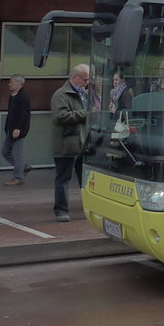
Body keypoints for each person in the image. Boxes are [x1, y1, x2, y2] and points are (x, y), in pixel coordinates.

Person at [51, 63, 91, 222]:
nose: (87, 83)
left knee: (86, 179)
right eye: (85, 79)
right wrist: (86, 114)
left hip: (83, 143)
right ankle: (61, 210)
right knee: (63, 179)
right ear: (75, 77)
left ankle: (89, 207)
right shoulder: (61, 94)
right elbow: (60, 116)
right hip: (66, 144)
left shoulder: (84, 94)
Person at [1, 74, 32, 186]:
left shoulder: (23, 97)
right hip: (10, 129)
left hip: (18, 130)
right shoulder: (13, 96)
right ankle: (23, 167)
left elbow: (23, 114)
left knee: (18, 154)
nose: (9, 84)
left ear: (19, 83)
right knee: (5, 152)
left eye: (11, 82)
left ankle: (18, 178)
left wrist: (18, 128)